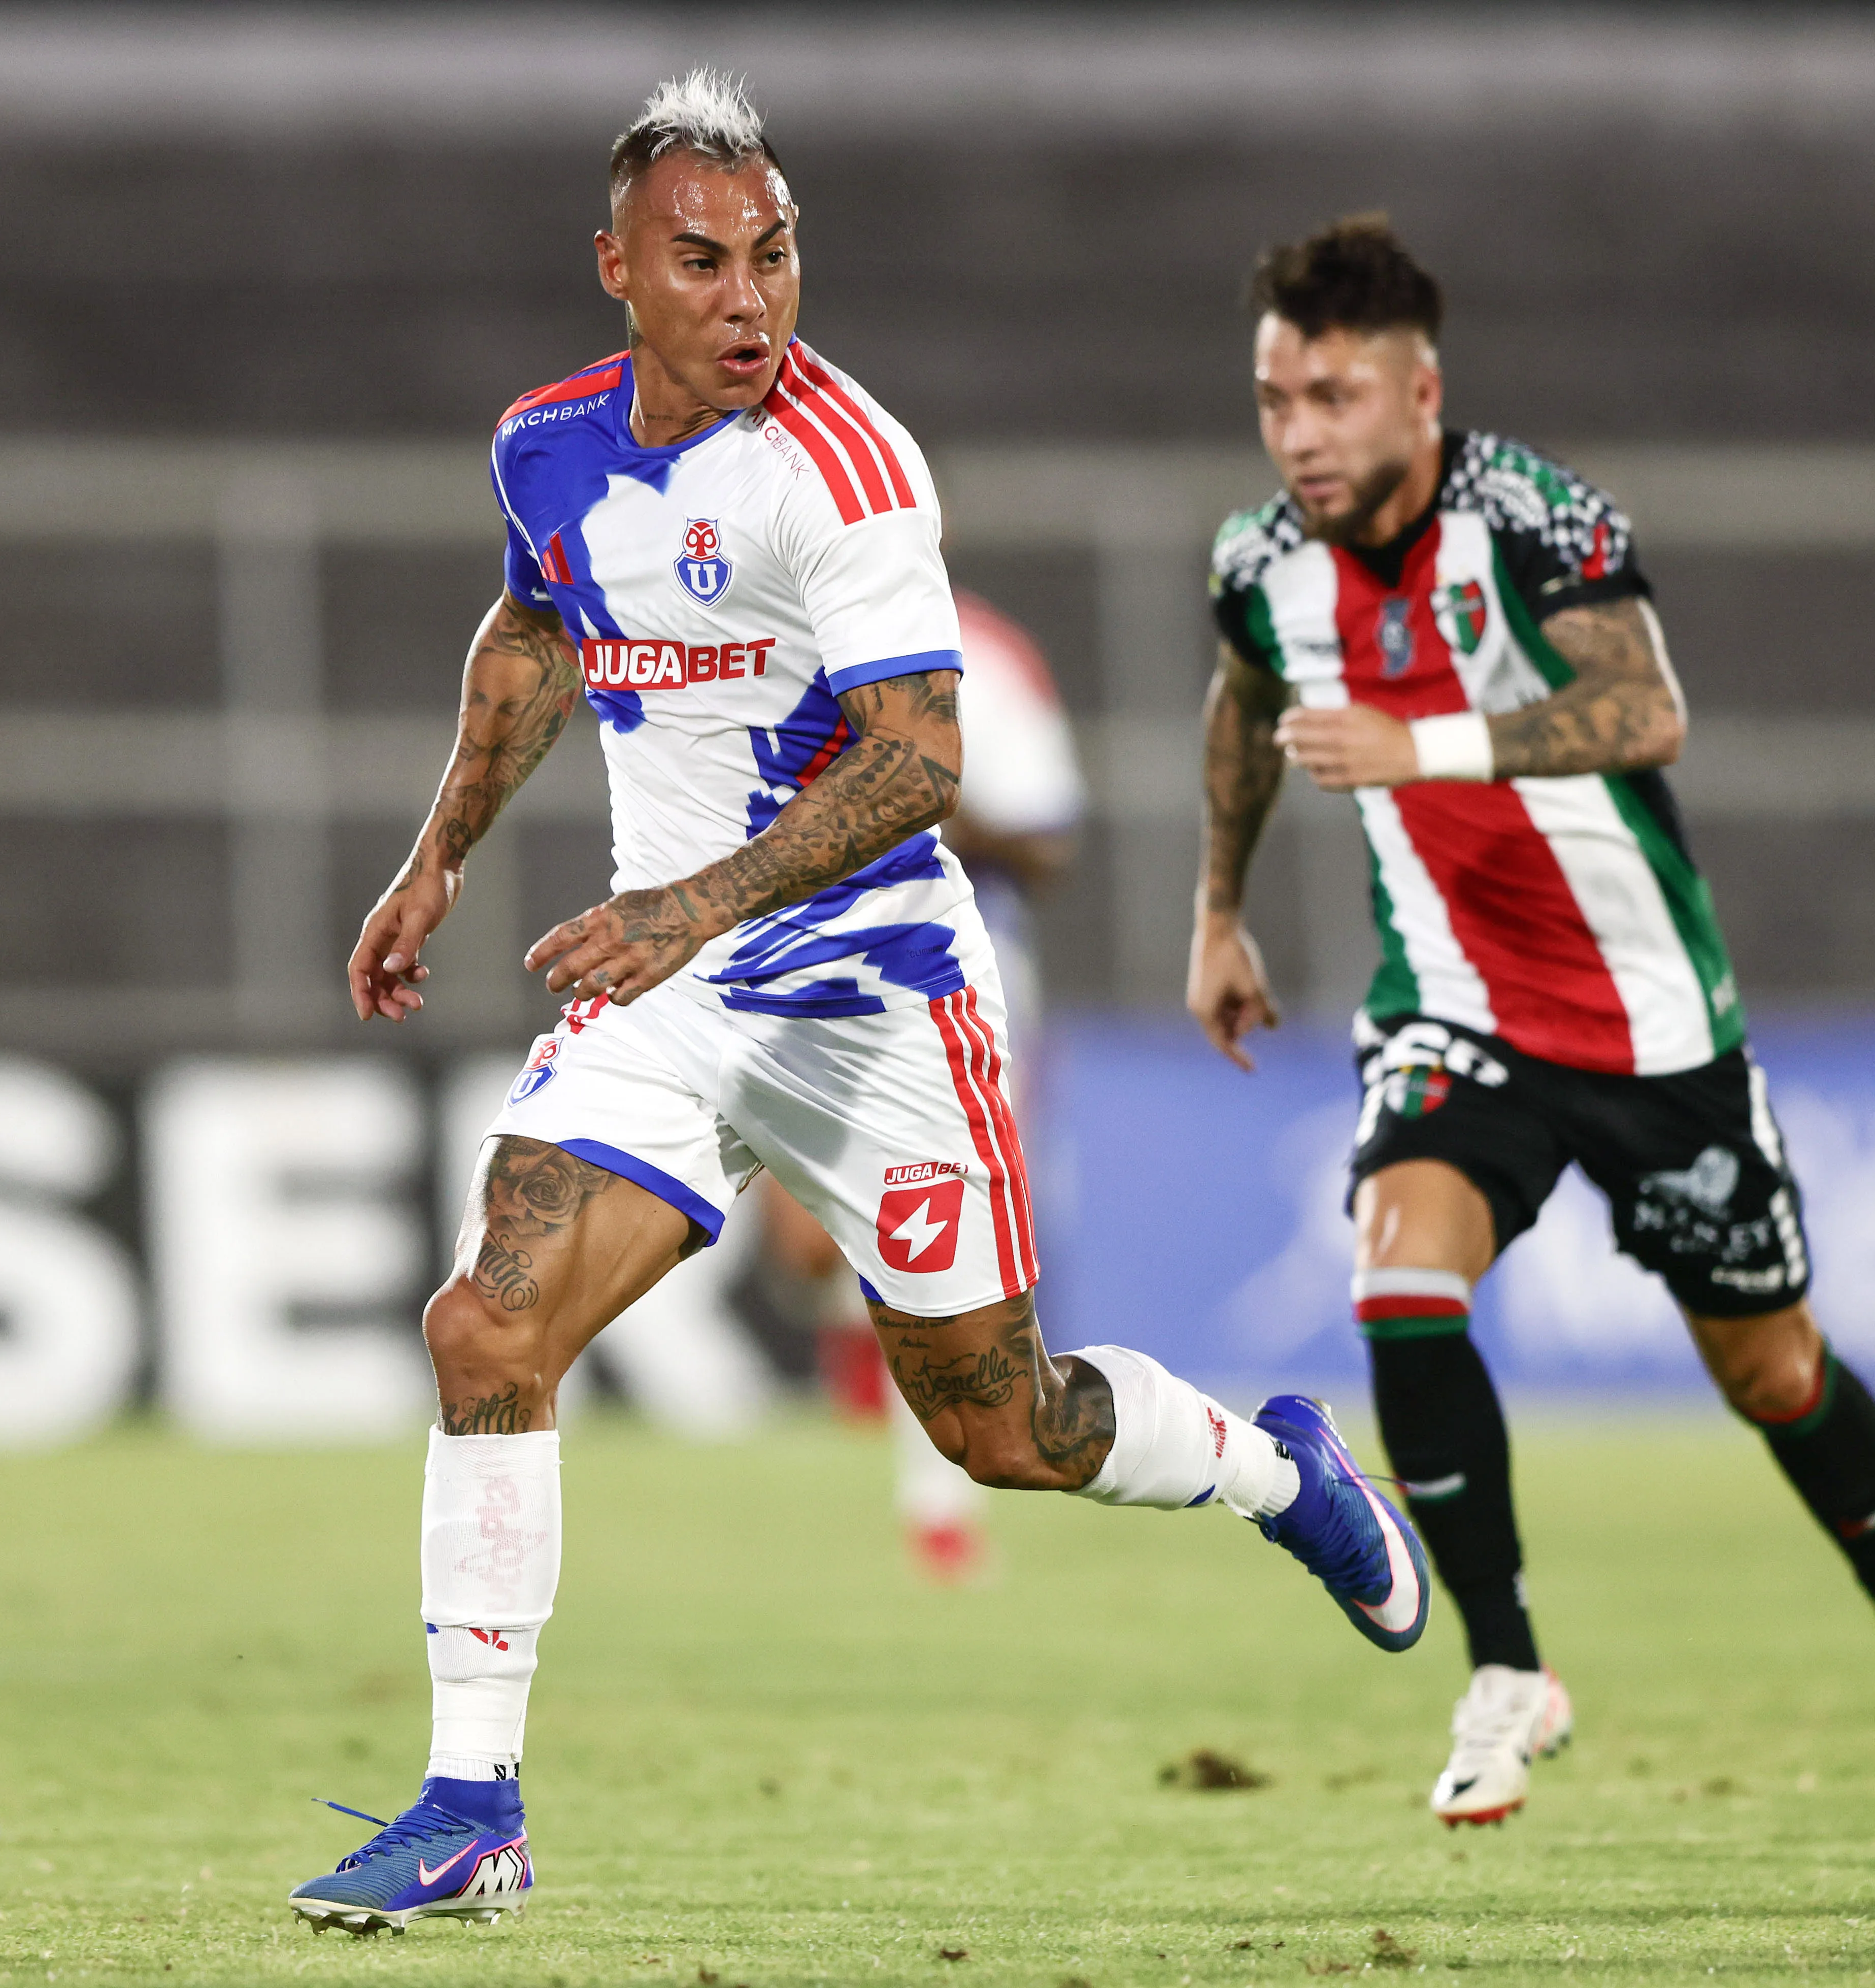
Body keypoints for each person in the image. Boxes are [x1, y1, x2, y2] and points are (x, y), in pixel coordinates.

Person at [292, 77, 1430, 1936]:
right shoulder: (545, 449)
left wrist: (687, 901)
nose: (753, 297)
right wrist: (437, 860)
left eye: (778, 253)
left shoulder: (848, 464)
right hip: (666, 994)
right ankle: (472, 1801)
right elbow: (534, 629)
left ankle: (1266, 1465)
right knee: (488, 1329)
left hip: (879, 993)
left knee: (1005, 1424)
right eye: (705, 261)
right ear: (619, 274)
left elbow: (918, 765)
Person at [1190, 216, 1875, 1833]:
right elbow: (1244, 703)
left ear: (1417, 393)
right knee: (1398, 1274)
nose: (1297, 433)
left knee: (1773, 1373)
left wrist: (1415, 744)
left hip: (1649, 1028)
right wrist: (1216, 908)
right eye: (1274, 399)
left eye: (1331, 396)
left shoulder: (1525, 511)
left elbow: (1645, 708)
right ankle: (1506, 1666)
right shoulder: (1256, 563)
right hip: (1451, 1010)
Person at [761, 587, 1087, 1585]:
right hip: (783, 949)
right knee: (808, 1242)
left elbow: (1046, 840)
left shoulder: (984, 656)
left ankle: (937, 1506)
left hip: (950, 958)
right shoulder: (756, 635)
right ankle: (872, 1365)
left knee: (931, 1213)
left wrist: (924, 794)